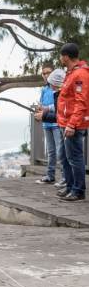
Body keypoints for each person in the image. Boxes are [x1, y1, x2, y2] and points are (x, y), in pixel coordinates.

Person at [56, 43, 89, 202]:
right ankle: (70, 186)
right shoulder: (71, 73)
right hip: (65, 122)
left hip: (73, 124)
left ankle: (78, 190)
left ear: (66, 57)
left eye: (61, 55)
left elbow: (81, 102)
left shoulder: (80, 74)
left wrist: (72, 124)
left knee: (74, 157)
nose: (60, 58)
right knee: (65, 157)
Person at [34, 67, 66, 186]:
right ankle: (50, 175)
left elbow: (57, 105)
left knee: (60, 150)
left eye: (48, 73)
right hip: (47, 123)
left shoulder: (58, 88)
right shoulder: (44, 89)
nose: (46, 75)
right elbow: (42, 104)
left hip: (56, 123)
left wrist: (45, 111)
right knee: (51, 151)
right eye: (44, 73)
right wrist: (40, 108)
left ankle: (64, 177)